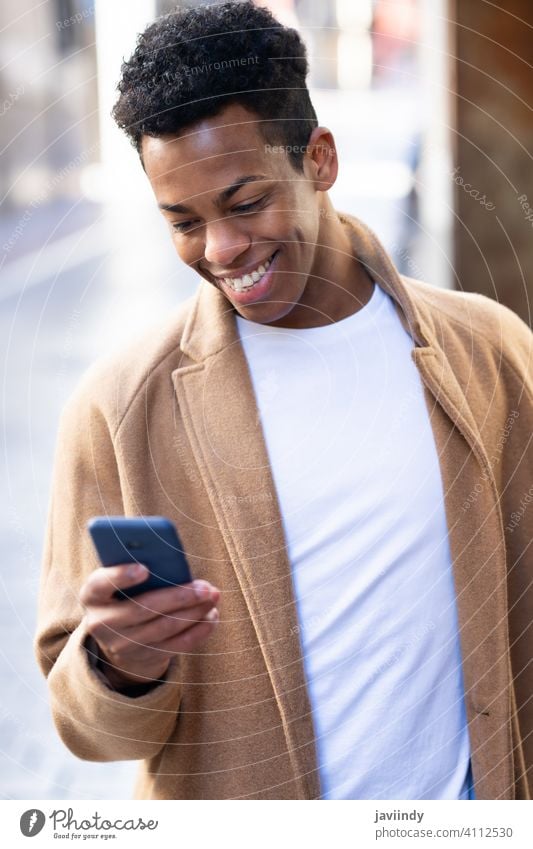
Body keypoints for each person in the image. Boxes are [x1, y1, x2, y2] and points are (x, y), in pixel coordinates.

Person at [34, 1, 532, 801]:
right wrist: (117, 663)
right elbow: (90, 731)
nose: (222, 250)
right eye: (183, 221)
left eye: (243, 202)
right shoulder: (118, 408)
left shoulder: (491, 352)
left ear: (320, 159)